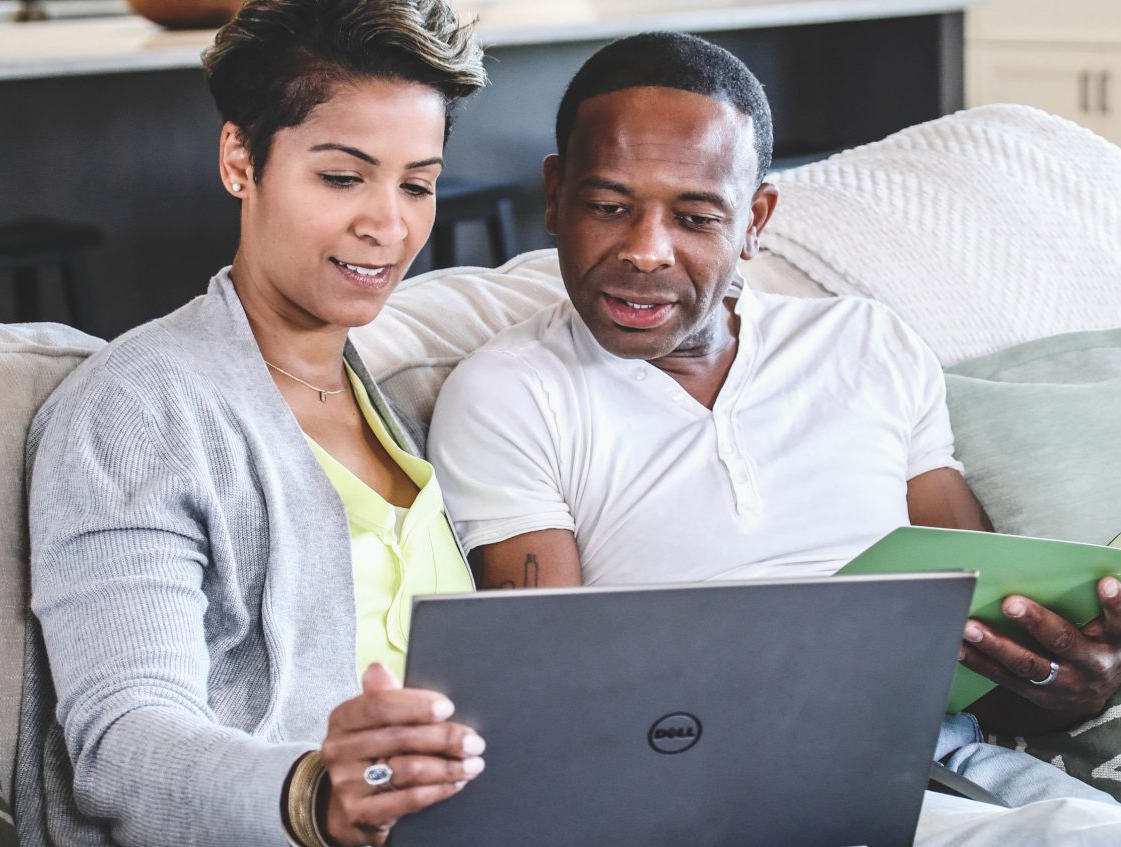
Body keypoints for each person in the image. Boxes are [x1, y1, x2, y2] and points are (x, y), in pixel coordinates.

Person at [426, 31, 1121, 828]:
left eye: (695, 216)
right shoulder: (511, 392)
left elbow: (974, 633)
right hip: (708, 787)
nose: (646, 252)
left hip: (945, 757)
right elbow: (556, 700)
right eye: (609, 206)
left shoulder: (868, 345)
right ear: (555, 195)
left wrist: (1068, 683)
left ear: (755, 219)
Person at [14, 3, 488, 846]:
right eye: (343, 177)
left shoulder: (398, 406)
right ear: (241, 159)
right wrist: (315, 796)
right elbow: (122, 739)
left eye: (417, 183)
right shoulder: (139, 407)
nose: (389, 223)